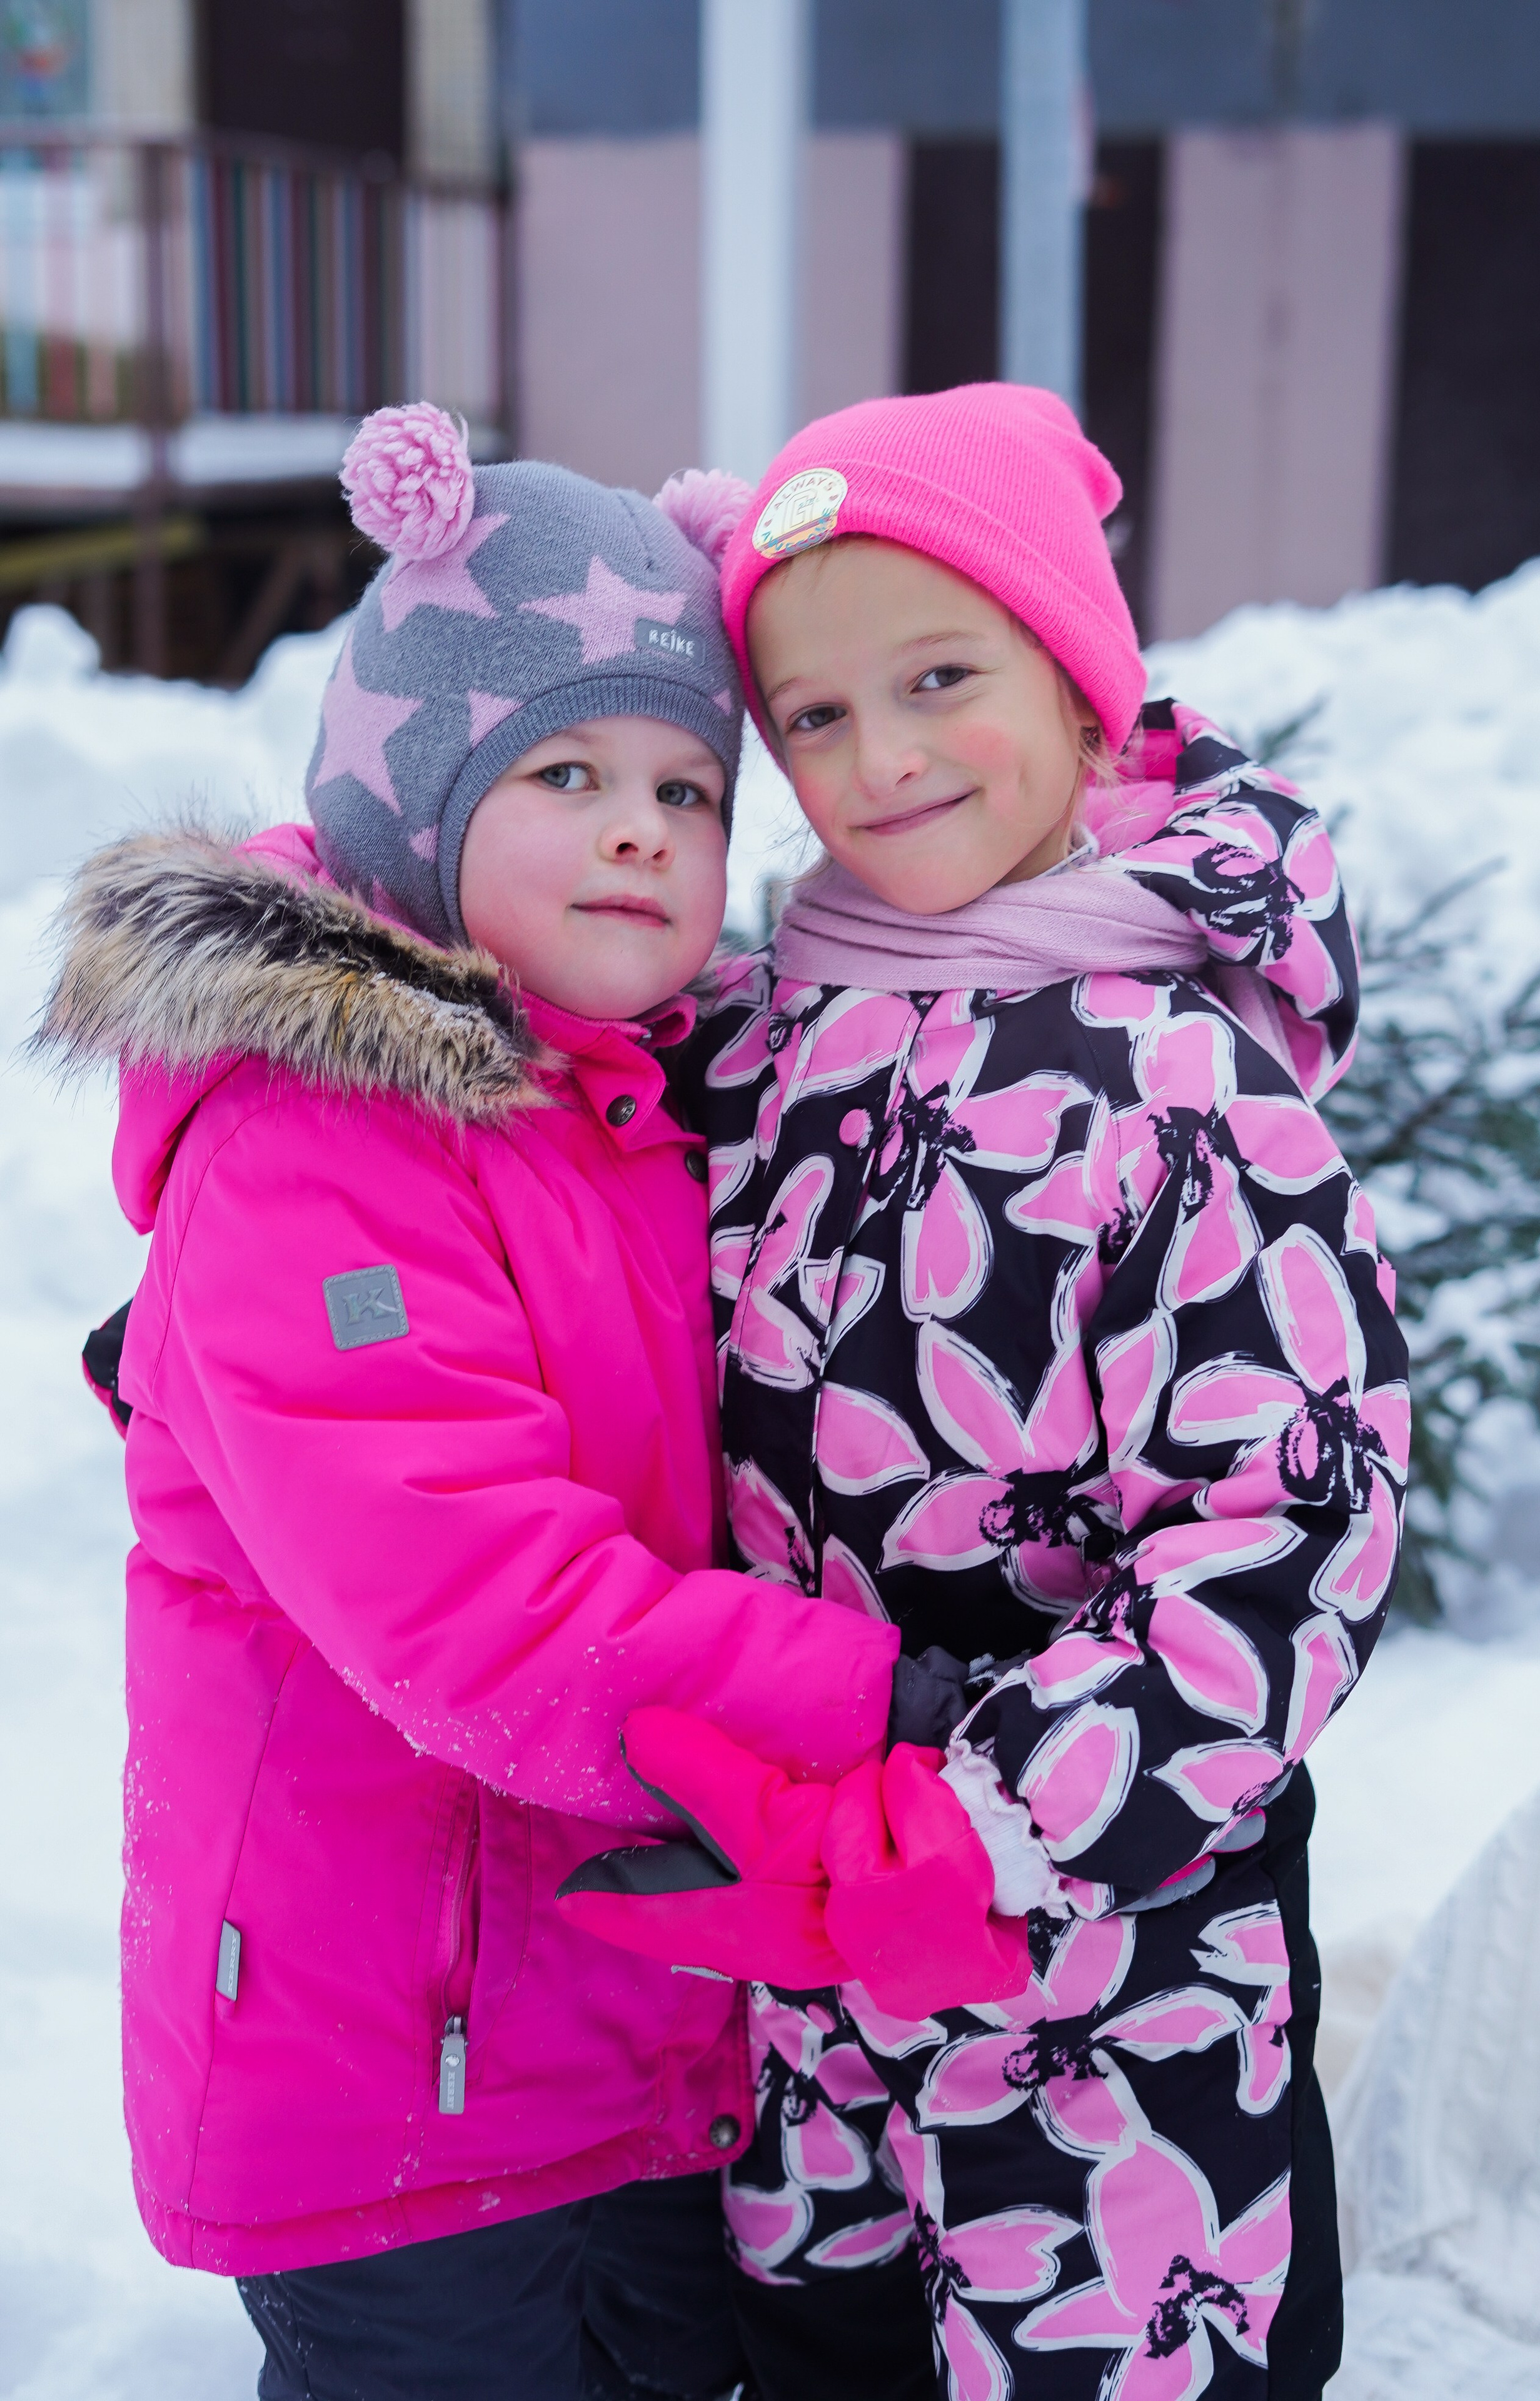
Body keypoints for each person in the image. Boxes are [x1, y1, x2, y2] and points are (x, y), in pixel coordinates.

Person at [558, 384, 1411, 2401]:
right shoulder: (767, 1032)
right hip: (804, 1970)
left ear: (1081, 675)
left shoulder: (1187, 1084)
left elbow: (1283, 1532)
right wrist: (298, 1294)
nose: (886, 757)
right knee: (836, 2354)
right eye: (818, 718)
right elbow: (556, 1230)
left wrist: (984, 1834)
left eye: (941, 677)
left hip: (1120, 1977)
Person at [41, 403, 901, 2401]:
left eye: (691, 791)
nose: (643, 830)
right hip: (398, 2100)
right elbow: (483, 1616)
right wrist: (877, 1706)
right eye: (569, 770)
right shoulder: (318, 1149)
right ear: (405, 813)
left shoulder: (638, 1117)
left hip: (624, 2044)